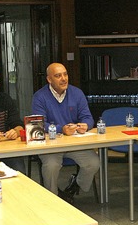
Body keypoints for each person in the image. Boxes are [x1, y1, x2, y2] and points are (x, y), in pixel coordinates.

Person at [32, 62, 100, 203]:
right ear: (49, 80)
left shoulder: (76, 93)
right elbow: (38, 125)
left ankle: (75, 186)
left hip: (73, 143)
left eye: (65, 74)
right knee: (51, 166)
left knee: (93, 162)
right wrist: (60, 129)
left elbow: (88, 117)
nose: (64, 79)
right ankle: (53, 199)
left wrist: (85, 125)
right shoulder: (40, 97)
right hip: (50, 145)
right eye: (58, 76)